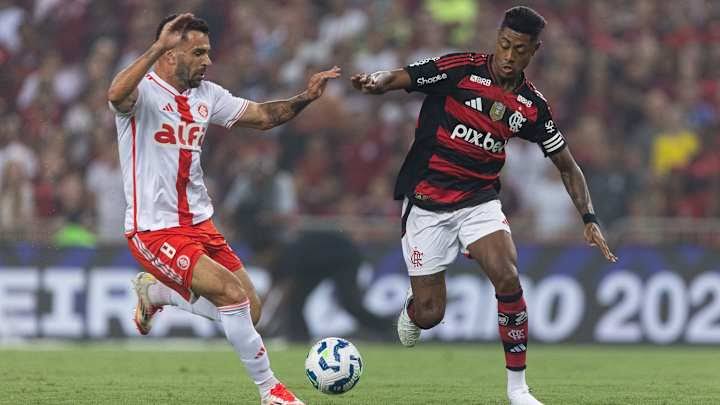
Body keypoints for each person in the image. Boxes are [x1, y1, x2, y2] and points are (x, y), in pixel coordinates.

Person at [350, 6, 617, 405]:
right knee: (431, 314)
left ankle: (518, 389)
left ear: (534, 51)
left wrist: (589, 217)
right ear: (497, 38)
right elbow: (403, 76)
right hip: (427, 202)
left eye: (520, 50)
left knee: (508, 277)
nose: (509, 56)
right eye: (505, 45)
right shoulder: (460, 70)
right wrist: (377, 81)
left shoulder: (531, 106)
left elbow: (567, 165)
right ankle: (414, 309)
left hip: (479, 201)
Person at [107, 13, 340, 405]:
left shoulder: (207, 95)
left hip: (200, 223)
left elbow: (264, 117)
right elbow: (115, 95)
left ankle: (156, 295)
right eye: (198, 53)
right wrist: (156, 46)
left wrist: (305, 97)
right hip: (154, 228)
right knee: (232, 297)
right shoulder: (141, 92)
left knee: (251, 311)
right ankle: (271, 391)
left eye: (208, 52)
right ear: (170, 54)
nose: (208, 60)